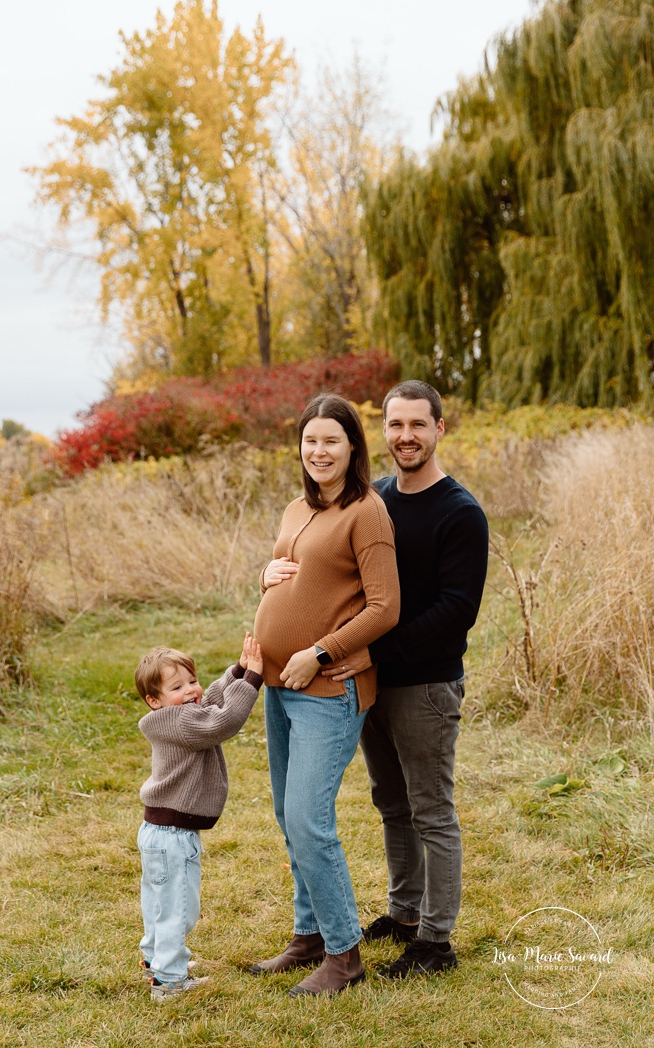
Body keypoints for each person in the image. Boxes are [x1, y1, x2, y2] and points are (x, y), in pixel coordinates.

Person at [322, 380, 489, 979]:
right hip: (373, 683)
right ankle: (404, 912)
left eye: (419, 424)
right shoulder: (377, 499)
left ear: (439, 428)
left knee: (431, 811)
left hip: (425, 687)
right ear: (384, 430)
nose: (406, 436)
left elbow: (455, 610)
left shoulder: (460, 512)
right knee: (391, 803)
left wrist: (373, 651)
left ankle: (435, 941)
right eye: (396, 425)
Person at [248, 394, 400, 997]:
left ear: (353, 447)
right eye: (310, 440)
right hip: (278, 687)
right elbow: (294, 577)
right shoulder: (296, 509)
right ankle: (308, 935)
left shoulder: (367, 512)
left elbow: (385, 607)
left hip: (328, 689)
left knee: (310, 821)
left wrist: (319, 652)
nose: (319, 451)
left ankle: (344, 956)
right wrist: (264, 577)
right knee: (290, 817)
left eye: (331, 440)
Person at [135, 633, 263, 1000]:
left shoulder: (174, 715)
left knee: (159, 903)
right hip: (173, 837)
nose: (191, 690)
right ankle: (169, 981)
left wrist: (236, 670)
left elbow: (210, 702)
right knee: (178, 909)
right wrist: (252, 679)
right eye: (177, 687)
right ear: (155, 700)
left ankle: (156, 960)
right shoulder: (182, 723)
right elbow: (222, 721)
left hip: (159, 831)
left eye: (192, 680)